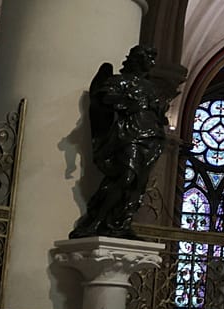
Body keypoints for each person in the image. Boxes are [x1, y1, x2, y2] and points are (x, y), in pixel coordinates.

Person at [70, 45, 174, 239]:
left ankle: (120, 224)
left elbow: (159, 114)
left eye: (152, 60)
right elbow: (103, 99)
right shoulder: (120, 81)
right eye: (148, 59)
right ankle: (96, 222)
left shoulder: (151, 87)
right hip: (130, 135)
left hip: (151, 138)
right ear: (136, 59)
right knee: (126, 176)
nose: (151, 64)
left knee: (138, 184)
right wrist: (129, 103)